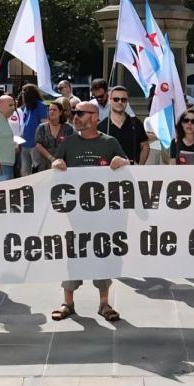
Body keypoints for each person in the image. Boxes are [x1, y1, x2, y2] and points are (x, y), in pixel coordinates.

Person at [50, 101, 130, 323]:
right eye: (74, 113)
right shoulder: (68, 143)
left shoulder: (110, 142)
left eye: (81, 113)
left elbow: (128, 168)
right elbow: (56, 162)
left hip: (103, 215)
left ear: (95, 117)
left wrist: (121, 161)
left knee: (103, 255)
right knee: (73, 256)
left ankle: (104, 303)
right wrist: (56, 163)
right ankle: (68, 301)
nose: (75, 117)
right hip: (75, 215)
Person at [98, 86, 148, 165]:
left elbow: (145, 146)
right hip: (109, 171)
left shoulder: (135, 123)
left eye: (123, 99)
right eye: (116, 99)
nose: (120, 102)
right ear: (109, 101)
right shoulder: (101, 126)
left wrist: (140, 167)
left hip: (132, 171)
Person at [34, 97, 74, 171]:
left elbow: (71, 145)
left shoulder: (68, 128)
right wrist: (51, 158)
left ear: (60, 112)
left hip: (63, 164)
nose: (52, 112)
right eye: (50, 110)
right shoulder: (41, 127)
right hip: (45, 164)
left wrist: (60, 160)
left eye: (54, 110)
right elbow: (38, 145)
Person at [17, 84, 44, 177]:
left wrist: (40, 142)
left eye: (24, 92)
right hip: (24, 144)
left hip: (35, 144)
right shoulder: (26, 107)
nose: (22, 94)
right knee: (24, 171)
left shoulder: (40, 105)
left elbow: (44, 124)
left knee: (37, 169)